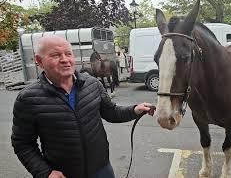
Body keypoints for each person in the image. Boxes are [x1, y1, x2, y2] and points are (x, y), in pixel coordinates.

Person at [11, 35, 154, 178]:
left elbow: (111, 112)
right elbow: (22, 143)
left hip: (102, 169)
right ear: (39, 61)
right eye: (55, 55)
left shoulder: (92, 84)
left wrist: (135, 110)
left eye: (68, 54)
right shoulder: (28, 98)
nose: (65, 59)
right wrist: (44, 172)